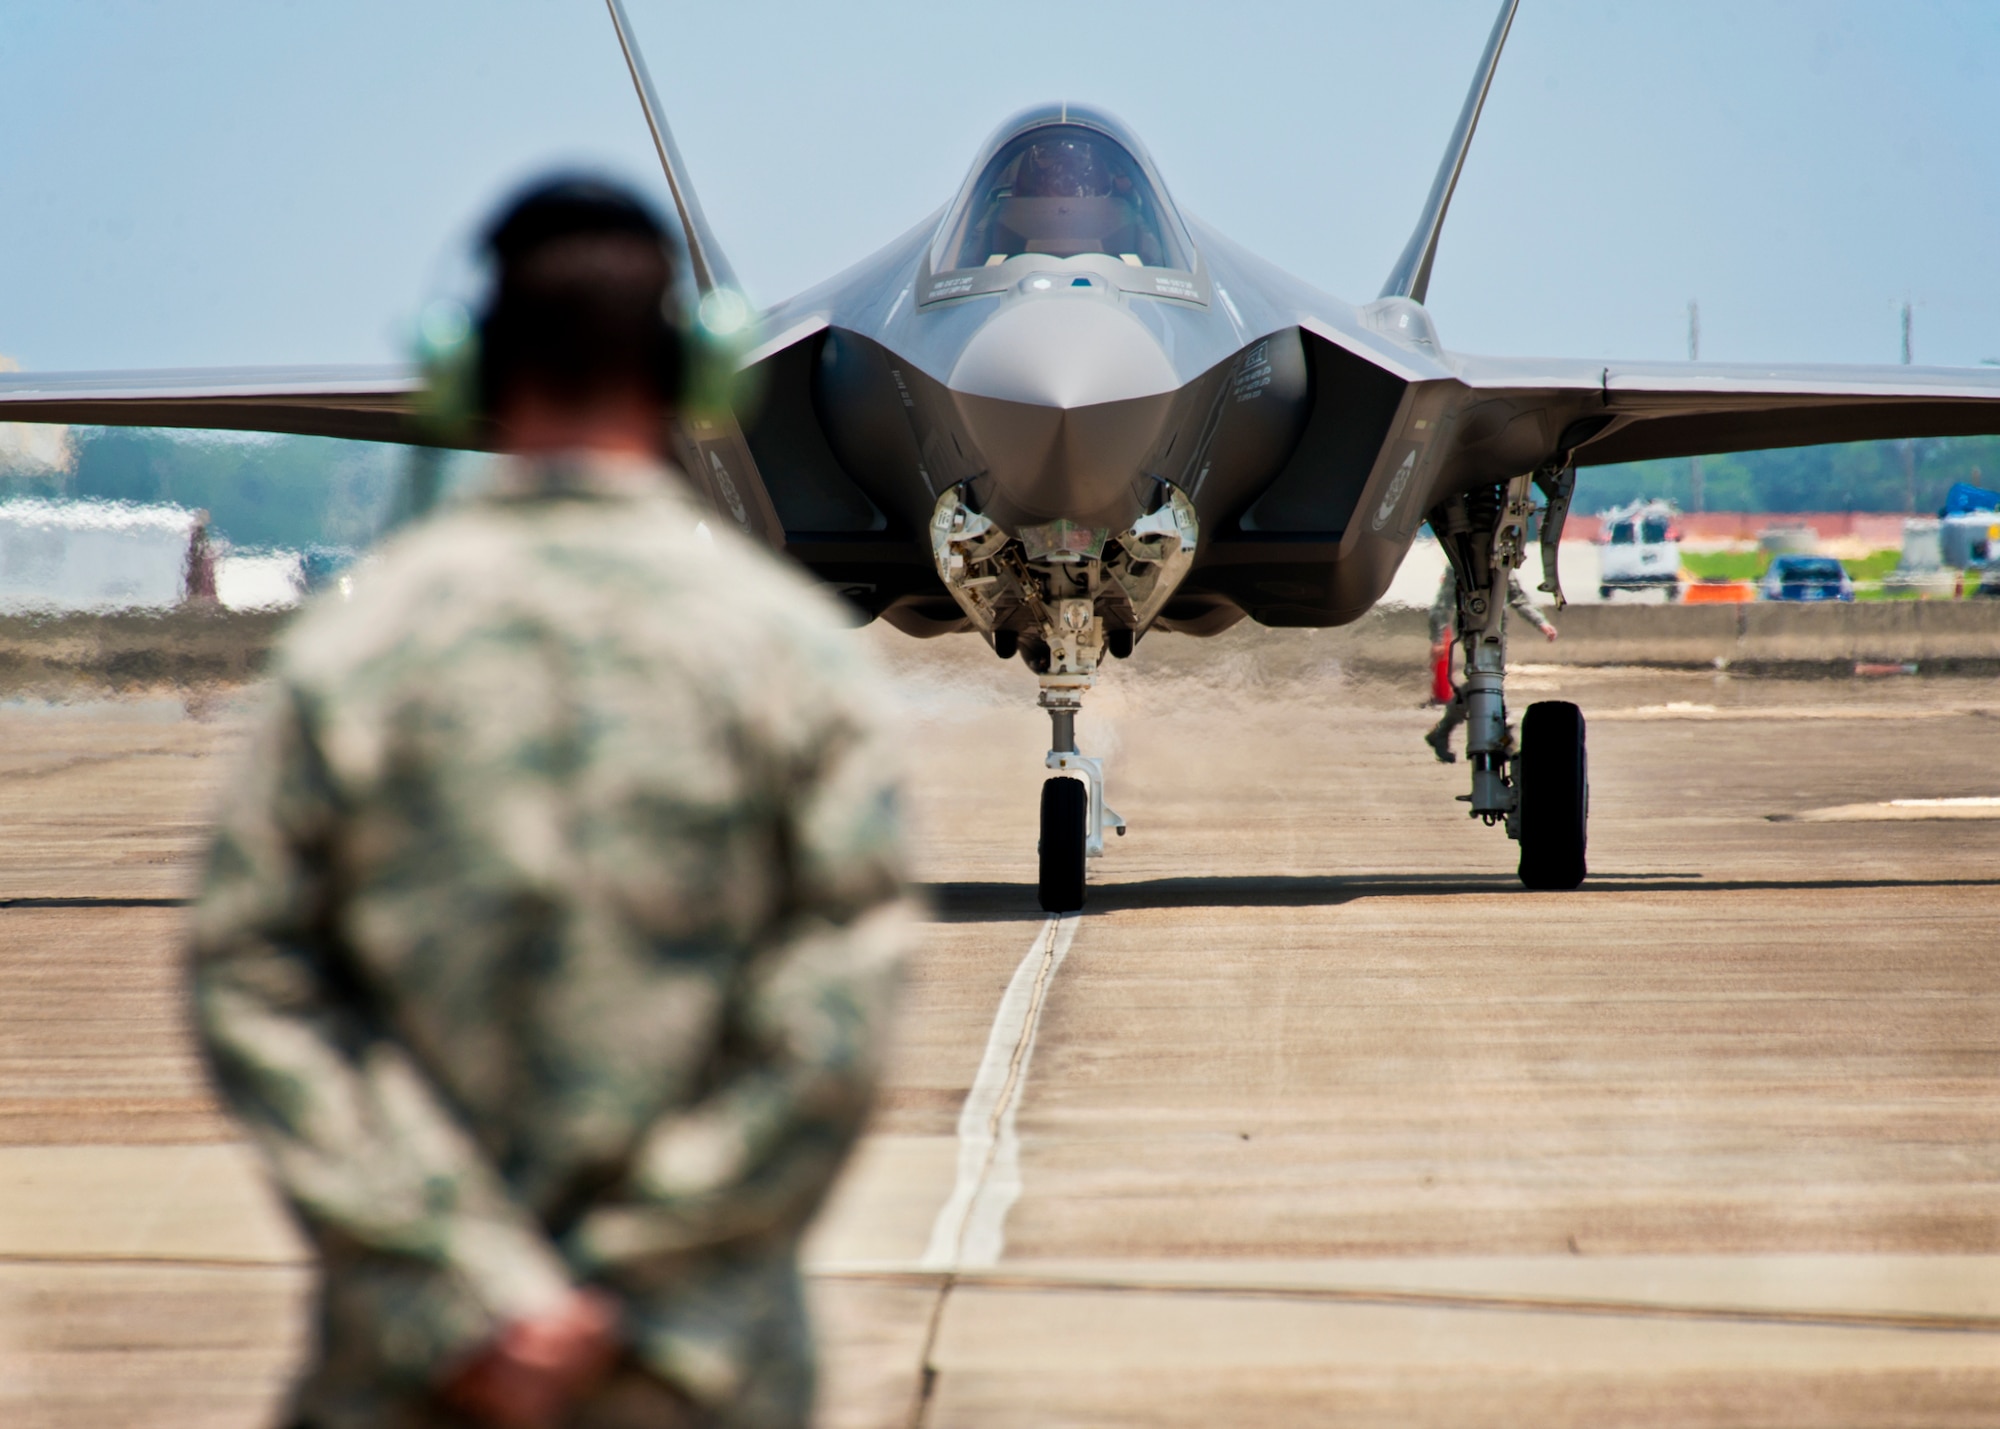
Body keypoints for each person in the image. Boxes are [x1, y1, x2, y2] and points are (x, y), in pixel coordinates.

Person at [188, 177, 913, 1429]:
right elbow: (832, 1018)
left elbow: (255, 977)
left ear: (469, 372)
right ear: (700, 377)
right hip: (693, 1379)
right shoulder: (791, 658)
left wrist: (474, 1298)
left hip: (418, 1379)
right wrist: (625, 1290)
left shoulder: (359, 654)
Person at [1424, 562, 1557, 764]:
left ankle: (1444, 732)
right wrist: (1438, 638)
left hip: (1496, 635)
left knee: (1482, 684)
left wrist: (1541, 623)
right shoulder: (1461, 562)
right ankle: (1506, 735)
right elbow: (1442, 605)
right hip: (1473, 633)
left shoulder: (1502, 563)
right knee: (1484, 682)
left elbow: (1518, 597)